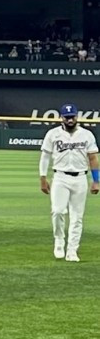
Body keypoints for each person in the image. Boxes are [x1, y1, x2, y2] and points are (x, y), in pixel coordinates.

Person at [38, 102, 99, 261]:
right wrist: (43, 178)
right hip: (60, 177)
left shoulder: (87, 135)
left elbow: (93, 158)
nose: (70, 120)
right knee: (57, 211)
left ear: (77, 117)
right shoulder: (53, 134)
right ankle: (59, 241)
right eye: (67, 117)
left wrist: (96, 180)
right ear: (61, 118)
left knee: (77, 217)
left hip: (80, 178)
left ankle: (72, 250)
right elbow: (45, 156)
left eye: (72, 117)